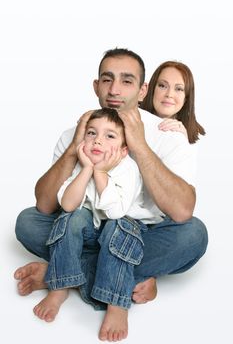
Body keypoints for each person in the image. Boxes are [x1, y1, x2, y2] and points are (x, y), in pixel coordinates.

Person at [14, 48, 208, 342]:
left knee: (194, 235)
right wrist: (73, 148)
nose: (115, 90)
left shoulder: (168, 133)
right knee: (27, 222)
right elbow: (44, 205)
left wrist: (140, 145)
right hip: (87, 227)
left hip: (142, 234)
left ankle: (62, 272)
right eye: (107, 80)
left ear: (143, 90)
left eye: (127, 81)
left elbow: (182, 211)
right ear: (96, 86)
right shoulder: (78, 131)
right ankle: (122, 275)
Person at [34, 107, 165, 340]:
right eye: (91, 133)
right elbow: (67, 205)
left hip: (126, 230)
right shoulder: (79, 165)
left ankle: (116, 302)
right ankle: (60, 286)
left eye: (110, 136)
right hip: (94, 233)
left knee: (119, 228)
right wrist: (86, 169)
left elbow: (115, 212)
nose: (98, 141)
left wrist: (101, 173)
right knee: (69, 219)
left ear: (124, 150)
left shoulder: (127, 168)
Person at [140, 60, 206, 143]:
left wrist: (182, 144)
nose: (169, 94)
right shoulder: (129, 118)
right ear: (152, 89)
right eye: (162, 86)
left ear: (186, 97)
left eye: (179, 89)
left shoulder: (194, 137)